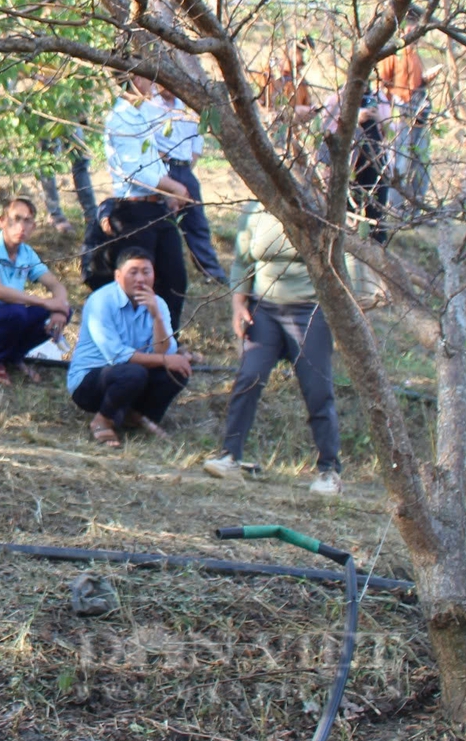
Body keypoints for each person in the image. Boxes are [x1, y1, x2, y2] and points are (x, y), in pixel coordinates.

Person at [203, 200, 361, 494]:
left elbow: (348, 262)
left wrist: (348, 316)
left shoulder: (327, 209)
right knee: (249, 377)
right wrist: (239, 303)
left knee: (317, 389)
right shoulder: (256, 209)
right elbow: (242, 260)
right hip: (264, 309)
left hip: (311, 310)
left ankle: (329, 470)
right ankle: (229, 456)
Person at [88, 75, 191, 319]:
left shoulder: (143, 112)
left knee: (174, 279)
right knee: (138, 284)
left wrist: (168, 194)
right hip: (134, 211)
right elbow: (137, 171)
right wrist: (174, 187)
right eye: (147, 76)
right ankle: (139, 342)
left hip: (157, 207)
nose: (154, 82)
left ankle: (167, 341)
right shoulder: (121, 117)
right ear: (135, 78)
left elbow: (152, 161)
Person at [68, 248, 190, 446]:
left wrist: (156, 315)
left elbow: (164, 351)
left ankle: (132, 414)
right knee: (133, 372)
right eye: (133, 272)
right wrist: (166, 359)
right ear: (118, 276)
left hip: (132, 375)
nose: (140, 279)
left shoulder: (158, 303)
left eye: (146, 272)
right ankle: (102, 420)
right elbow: (117, 356)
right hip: (90, 383)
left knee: (178, 371)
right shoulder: (101, 301)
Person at [0, 198, 70, 384]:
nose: (21, 226)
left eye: (27, 221)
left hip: (10, 319)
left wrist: (60, 308)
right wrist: (44, 302)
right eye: (16, 219)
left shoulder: (27, 253)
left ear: (34, 226)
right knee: (14, 312)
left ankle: (13, 356)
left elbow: (55, 285)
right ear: (2, 221)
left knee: (62, 312)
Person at [154, 86, 229, 285]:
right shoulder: (150, 106)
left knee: (196, 222)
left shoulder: (187, 107)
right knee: (163, 220)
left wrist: (188, 166)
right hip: (162, 169)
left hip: (184, 168)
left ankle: (211, 271)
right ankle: (162, 272)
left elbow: (197, 139)